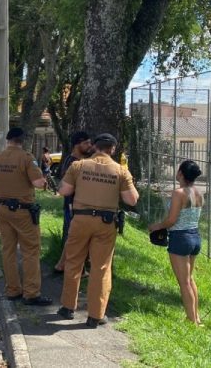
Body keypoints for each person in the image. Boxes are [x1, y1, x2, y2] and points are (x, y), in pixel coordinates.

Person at [57, 133, 139, 328]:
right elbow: (132, 200)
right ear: (112, 149)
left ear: (94, 147)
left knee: (73, 262)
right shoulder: (120, 171)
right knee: (100, 268)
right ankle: (95, 315)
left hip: (80, 219)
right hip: (105, 222)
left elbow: (64, 191)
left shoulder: (78, 166)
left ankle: (67, 307)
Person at [0, 128, 51, 305]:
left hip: (2, 208)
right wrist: (44, 181)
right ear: (23, 140)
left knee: (8, 250)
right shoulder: (27, 158)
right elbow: (37, 184)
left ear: (7, 140)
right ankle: (31, 293)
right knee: (30, 250)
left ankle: (12, 290)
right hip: (23, 211)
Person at [148, 160, 204, 325]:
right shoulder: (199, 192)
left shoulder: (179, 193)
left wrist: (155, 226)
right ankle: (196, 317)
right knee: (190, 279)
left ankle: (191, 320)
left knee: (184, 282)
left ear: (181, 173)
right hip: (195, 237)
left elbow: (171, 220)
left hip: (180, 238)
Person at [54, 131, 92, 273]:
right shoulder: (72, 162)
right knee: (74, 238)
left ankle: (62, 265)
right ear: (77, 145)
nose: (90, 145)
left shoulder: (82, 161)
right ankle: (68, 267)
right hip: (72, 206)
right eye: (86, 143)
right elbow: (67, 185)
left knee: (73, 237)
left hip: (80, 206)